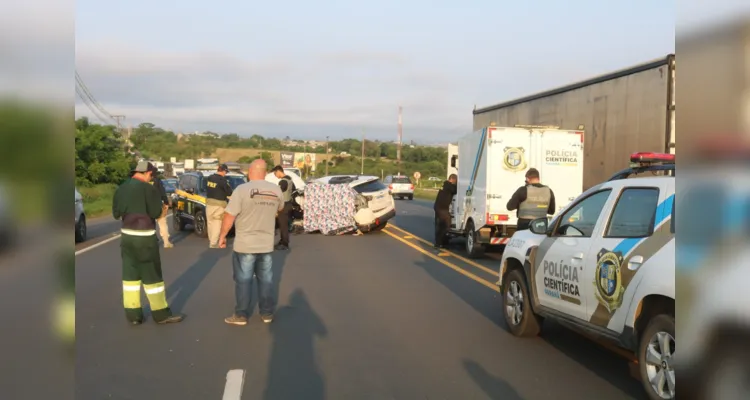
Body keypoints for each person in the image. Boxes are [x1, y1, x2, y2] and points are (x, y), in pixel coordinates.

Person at [112, 161, 184, 325]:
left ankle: (134, 316)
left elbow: (116, 213)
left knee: (130, 277)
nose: (152, 178)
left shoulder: (121, 188)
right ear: (147, 173)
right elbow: (155, 212)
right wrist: (163, 209)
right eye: (152, 175)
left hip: (127, 237)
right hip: (144, 237)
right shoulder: (149, 189)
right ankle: (161, 314)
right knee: (152, 277)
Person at [219, 159, 284, 326]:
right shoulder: (275, 190)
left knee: (243, 279)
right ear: (265, 172)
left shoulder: (241, 190)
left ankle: (241, 315)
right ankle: (267, 313)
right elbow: (280, 208)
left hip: (245, 244)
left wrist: (222, 236)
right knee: (266, 280)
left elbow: (229, 215)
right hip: (266, 243)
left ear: (250, 172)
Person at [205, 163, 233, 248]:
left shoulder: (209, 178)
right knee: (217, 223)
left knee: (210, 222)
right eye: (226, 172)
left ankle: (211, 240)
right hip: (219, 205)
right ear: (223, 171)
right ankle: (213, 243)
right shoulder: (222, 180)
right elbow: (229, 192)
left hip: (209, 204)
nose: (225, 174)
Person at [270, 165, 295, 250]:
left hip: (283, 205)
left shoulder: (283, 182)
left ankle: (284, 244)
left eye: (275, 173)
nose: (275, 175)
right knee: (284, 224)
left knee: (283, 225)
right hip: (288, 204)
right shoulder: (290, 180)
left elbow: (278, 194)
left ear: (278, 171)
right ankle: (282, 241)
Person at [433, 174, 458, 249]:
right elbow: (456, 190)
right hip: (442, 208)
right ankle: (440, 241)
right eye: (455, 181)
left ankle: (439, 243)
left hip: (438, 207)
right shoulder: (448, 185)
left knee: (439, 226)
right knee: (445, 225)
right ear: (453, 179)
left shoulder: (445, 184)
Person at [151, 172, 174, 248]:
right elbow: (163, 193)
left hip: (147, 205)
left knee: (150, 224)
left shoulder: (144, 181)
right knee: (162, 223)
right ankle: (166, 242)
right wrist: (166, 203)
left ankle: (152, 241)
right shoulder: (157, 181)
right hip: (158, 204)